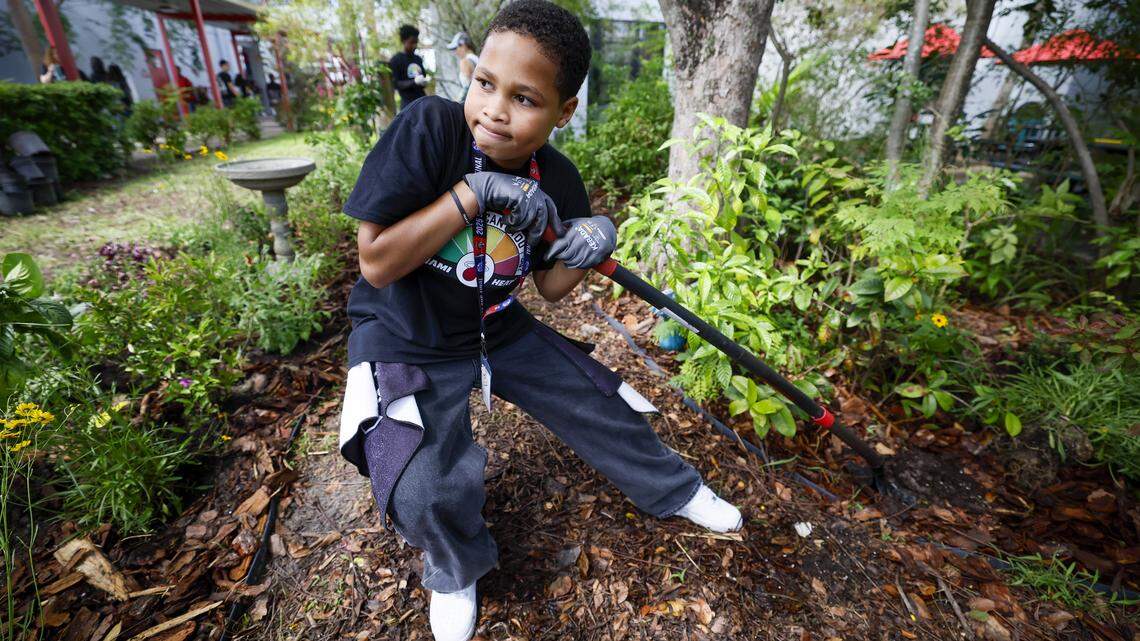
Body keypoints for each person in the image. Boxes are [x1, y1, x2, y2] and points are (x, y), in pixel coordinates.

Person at [338, 2, 742, 640]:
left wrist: (595, 238)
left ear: (564, 111)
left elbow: (553, 287)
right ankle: (455, 566)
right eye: (485, 84)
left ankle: (675, 488)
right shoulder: (431, 130)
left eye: (524, 97)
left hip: (498, 330)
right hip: (404, 333)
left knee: (599, 398)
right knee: (418, 482)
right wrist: (472, 194)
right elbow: (377, 262)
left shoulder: (556, 176)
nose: (495, 109)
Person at [388, 24, 430, 111]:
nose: (414, 45)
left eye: (416, 42)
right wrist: (413, 82)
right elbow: (396, 84)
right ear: (403, 41)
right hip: (408, 105)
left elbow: (423, 76)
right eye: (412, 42)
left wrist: (424, 82)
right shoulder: (396, 60)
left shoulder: (417, 59)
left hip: (423, 101)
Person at [446, 31, 480, 102]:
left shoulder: (465, 61)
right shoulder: (478, 59)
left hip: (471, 102)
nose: (455, 52)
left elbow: (467, 87)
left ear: (463, 45)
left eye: (456, 48)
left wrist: (457, 103)